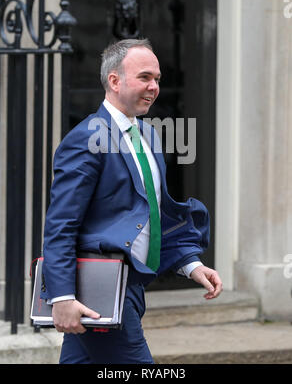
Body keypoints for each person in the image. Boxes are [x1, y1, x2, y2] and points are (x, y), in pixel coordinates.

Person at [41, 38, 222, 364]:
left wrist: (191, 264)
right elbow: (60, 224)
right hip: (101, 289)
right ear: (114, 80)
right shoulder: (85, 140)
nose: (154, 87)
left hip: (134, 287)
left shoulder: (150, 136)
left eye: (157, 79)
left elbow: (154, 214)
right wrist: (62, 297)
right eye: (144, 77)